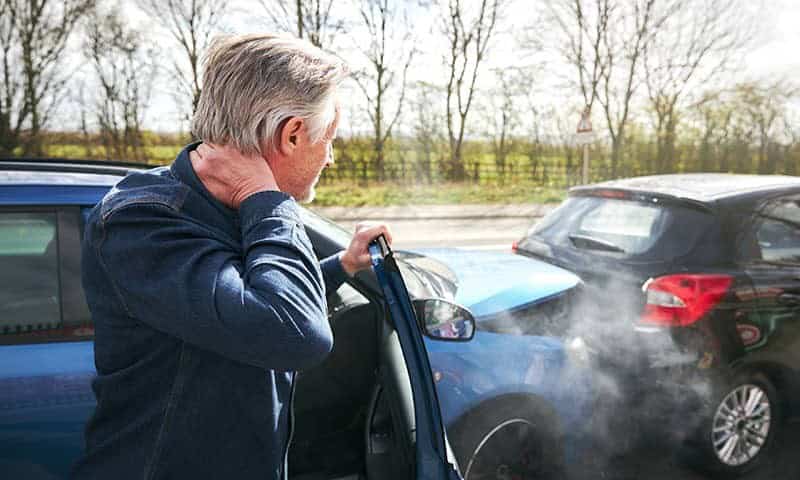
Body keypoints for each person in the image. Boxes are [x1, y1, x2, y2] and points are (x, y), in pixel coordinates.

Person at [73, 34, 391, 480]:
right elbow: (294, 333)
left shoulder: (222, 206)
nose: (331, 158)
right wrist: (268, 198)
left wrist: (342, 265)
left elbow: (243, 300)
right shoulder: (142, 222)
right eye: (329, 139)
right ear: (293, 134)